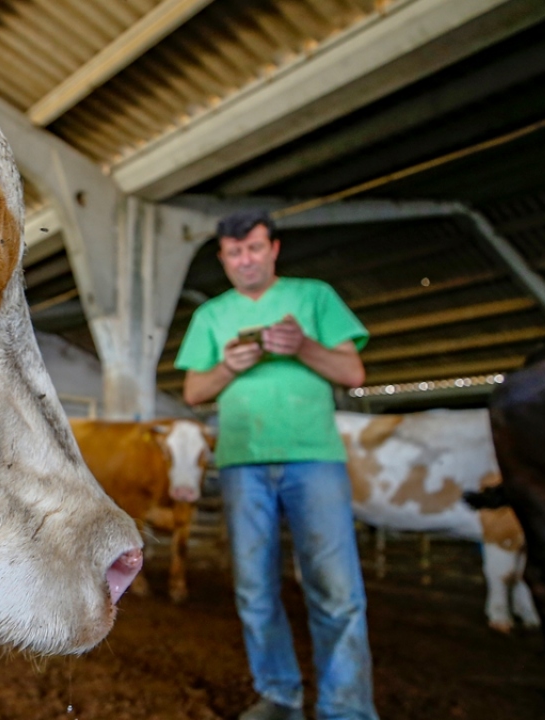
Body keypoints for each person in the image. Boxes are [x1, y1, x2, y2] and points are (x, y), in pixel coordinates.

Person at [176, 210, 377, 720]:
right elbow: (195, 391)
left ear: (274, 250)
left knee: (335, 587)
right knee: (254, 587)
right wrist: (228, 365)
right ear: (223, 259)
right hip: (243, 462)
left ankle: (347, 708)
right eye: (235, 252)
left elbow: (353, 372)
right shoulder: (211, 316)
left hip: (315, 459)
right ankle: (279, 693)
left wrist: (302, 346)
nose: (246, 259)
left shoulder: (315, 297)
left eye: (255, 248)